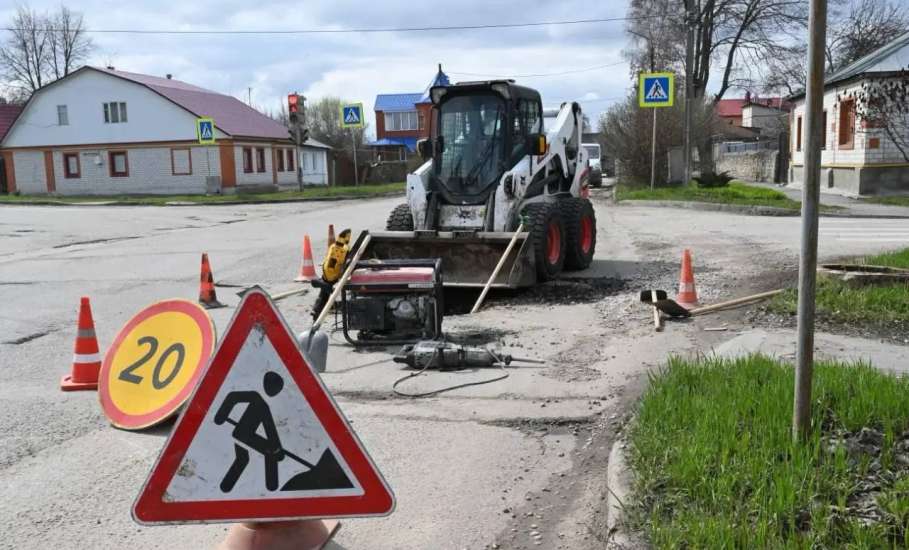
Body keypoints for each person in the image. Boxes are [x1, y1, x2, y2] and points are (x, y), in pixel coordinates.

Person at [214, 371, 286, 492]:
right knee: (266, 453)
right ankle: (271, 486)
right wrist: (221, 416)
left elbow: (270, 429)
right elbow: (232, 397)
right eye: (276, 389)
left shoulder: (263, 404)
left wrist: (278, 448)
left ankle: (225, 488)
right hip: (243, 434)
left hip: (244, 434)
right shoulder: (257, 399)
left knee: (243, 459)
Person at [311, 228, 351, 321]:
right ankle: (317, 312)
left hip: (328, 276)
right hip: (330, 277)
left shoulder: (334, 247)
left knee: (324, 294)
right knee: (324, 294)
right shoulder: (343, 250)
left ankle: (316, 311)